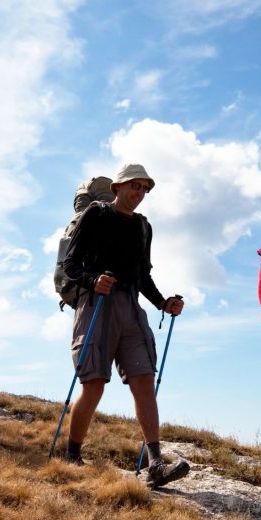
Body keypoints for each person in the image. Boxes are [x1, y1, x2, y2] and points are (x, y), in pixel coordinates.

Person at [61, 163, 188, 488]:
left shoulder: (143, 227)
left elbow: (142, 275)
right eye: (135, 186)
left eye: (145, 188)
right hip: (96, 302)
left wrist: (162, 303)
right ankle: (72, 454)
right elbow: (71, 263)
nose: (140, 193)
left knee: (144, 378)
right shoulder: (96, 215)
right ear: (118, 187)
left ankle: (156, 464)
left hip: (130, 305)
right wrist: (93, 280)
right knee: (94, 383)